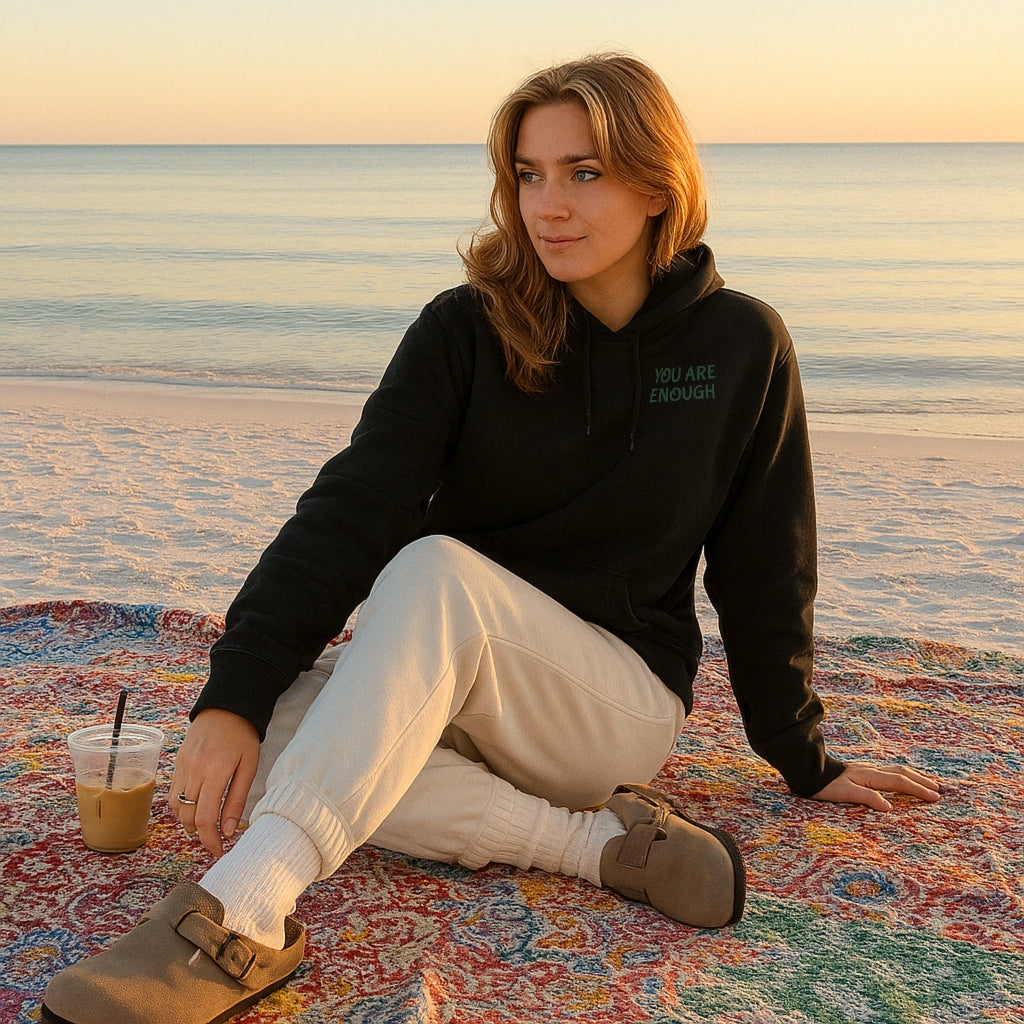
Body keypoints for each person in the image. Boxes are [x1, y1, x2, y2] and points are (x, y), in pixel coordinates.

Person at [42, 53, 941, 1024]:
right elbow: (352, 507)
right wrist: (232, 697)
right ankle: (597, 848)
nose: (547, 205)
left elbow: (767, 563)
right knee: (267, 735)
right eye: (528, 174)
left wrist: (802, 751)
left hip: (610, 706)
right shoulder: (465, 330)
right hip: (456, 685)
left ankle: (247, 907)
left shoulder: (741, 345)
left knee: (431, 573)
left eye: (583, 172)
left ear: (656, 186)